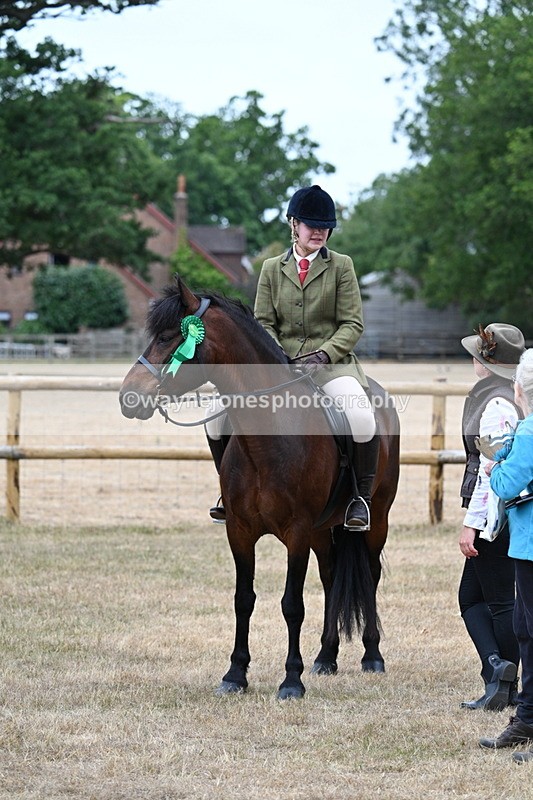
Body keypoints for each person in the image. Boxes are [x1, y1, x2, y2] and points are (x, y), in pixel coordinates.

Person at [207, 184, 377, 530]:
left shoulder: (342, 266)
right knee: (214, 414)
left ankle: (360, 498)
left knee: (361, 416)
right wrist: (278, 357)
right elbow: (263, 322)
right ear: (293, 224)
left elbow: (352, 323)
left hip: (330, 366)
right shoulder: (271, 268)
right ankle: (229, 489)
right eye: (311, 224)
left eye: (324, 226)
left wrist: (322, 355)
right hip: (277, 367)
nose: (319, 231)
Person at [458, 323, 524, 711]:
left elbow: (490, 471)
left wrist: (474, 523)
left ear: (487, 361)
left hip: (496, 516)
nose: (472, 359)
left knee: (499, 602)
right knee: (472, 597)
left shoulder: (496, 404)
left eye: (478, 354)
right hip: (499, 514)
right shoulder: (503, 395)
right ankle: (497, 673)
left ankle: (508, 684)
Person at [479, 348, 533, 761]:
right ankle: (527, 715)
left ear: (519, 389)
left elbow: (507, 483)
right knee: (524, 628)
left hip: (530, 546)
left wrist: (492, 468)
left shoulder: (529, 432)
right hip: (524, 545)